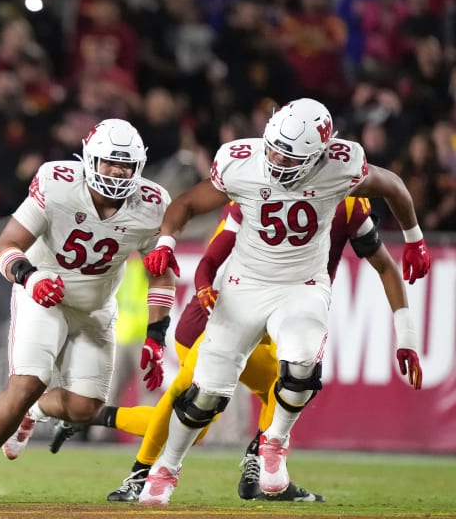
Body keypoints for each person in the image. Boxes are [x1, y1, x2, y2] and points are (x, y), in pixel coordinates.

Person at [137, 98, 431, 505]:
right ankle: (165, 471)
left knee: (302, 366)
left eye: (289, 154)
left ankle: (274, 444)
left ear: (320, 154)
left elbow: (394, 186)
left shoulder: (341, 167)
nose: (276, 158)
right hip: (243, 285)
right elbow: (187, 204)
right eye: (273, 146)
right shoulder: (242, 163)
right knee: (206, 395)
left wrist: (414, 240)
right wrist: (167, 240)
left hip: (302, 285)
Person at [53, 197, 419, 502]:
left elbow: (384, 244)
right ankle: (139, 475)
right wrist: (200, 288)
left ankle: (258, 470)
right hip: (223, 313)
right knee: (192, 398)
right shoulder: (254, 184)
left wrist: (406, 330)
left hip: (280, 314)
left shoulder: (348, 202)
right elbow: (210, 256)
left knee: (288, 385)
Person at [0, 119, 177, 500]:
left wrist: (156, 335)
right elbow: (6, 244)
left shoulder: (152, 205)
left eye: (126, 165)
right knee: (27, 381)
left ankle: (34, 412)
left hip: (96, 308)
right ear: (89, 160)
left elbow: (161, 274)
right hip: (44, 293)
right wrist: (31, 278)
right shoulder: (57, 183)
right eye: (108, 162)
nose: (118, 172)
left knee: (85, 409)